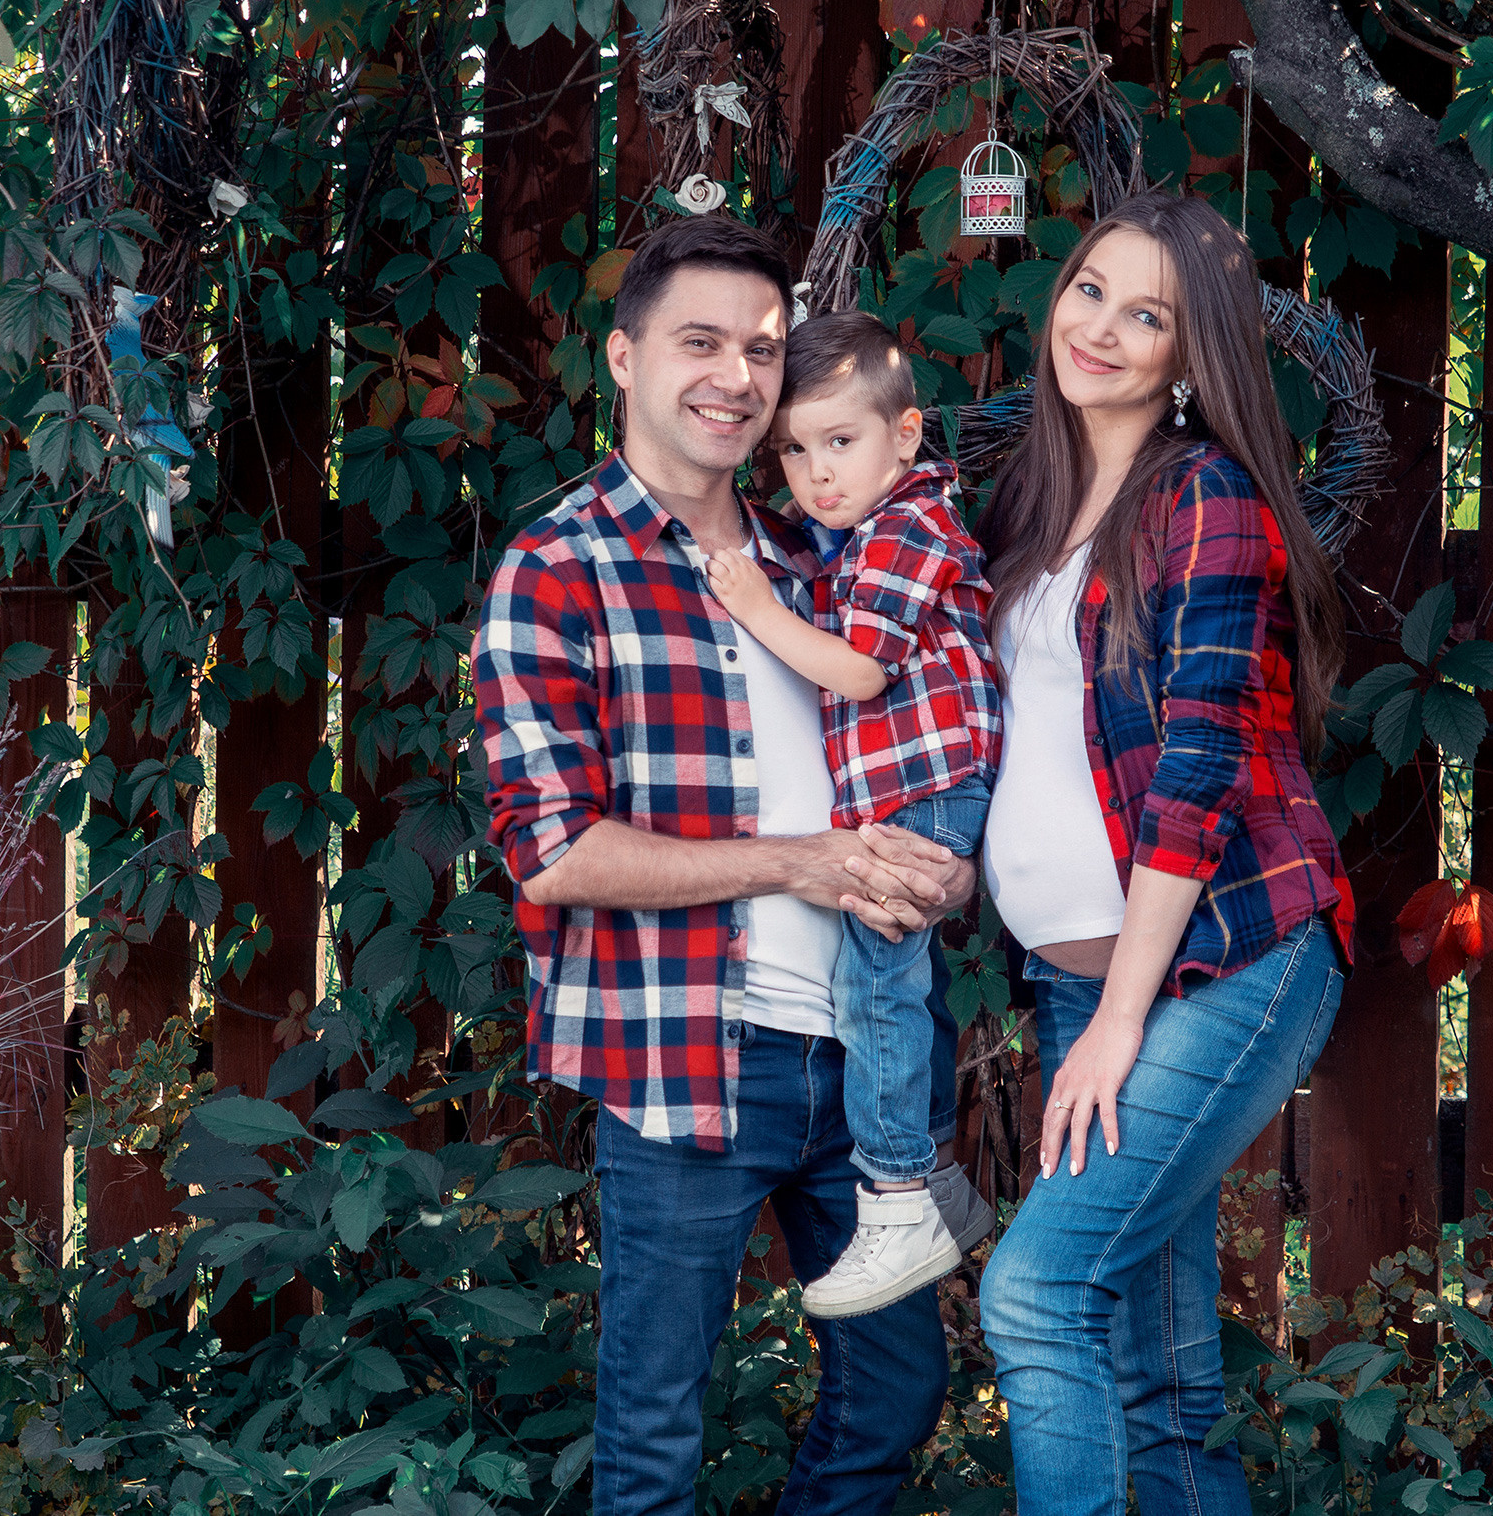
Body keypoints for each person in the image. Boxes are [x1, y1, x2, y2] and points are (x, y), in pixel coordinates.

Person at [472, 216, 987, 1516]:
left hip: (868, 1059)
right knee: (652, 1440)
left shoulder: (826, 549)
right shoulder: (558, 570)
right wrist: (806, 864)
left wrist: (939, 875)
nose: (737, 377)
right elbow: (553, 849)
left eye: (761, 349)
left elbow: (935, 756)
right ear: (625, 356)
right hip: (691, 1055)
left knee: (894, 1394)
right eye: (699, 342)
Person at [970, 191, 1355, 1516]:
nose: (1104, 329)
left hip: (1227, 963)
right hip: (1086, 980)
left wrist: (1121, 1019)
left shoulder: (1207, 499)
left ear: (1194, 359)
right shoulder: (1039, 498)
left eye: (1150, 317)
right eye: (1090, 290)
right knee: (1163, 1369)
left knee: (1036, 1289)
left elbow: (1197, 776)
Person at [703, 312, 1003, 1318]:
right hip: (918, 779)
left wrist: (754, 606)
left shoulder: (907, 524)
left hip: (925, 780)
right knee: (902, 984)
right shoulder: (862, 526)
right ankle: (946, 1186)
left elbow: (864, 672)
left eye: (841, 441)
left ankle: (896, 1197)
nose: (815, 473)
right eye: (794, 448)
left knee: (873, 985)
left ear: (905, 435)